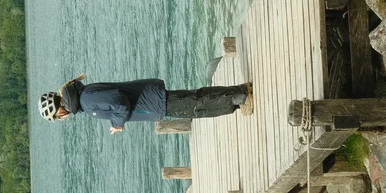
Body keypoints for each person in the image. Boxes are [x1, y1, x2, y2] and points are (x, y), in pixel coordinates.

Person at [38, 74, 253, 134]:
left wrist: (117, 123)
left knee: (198, 104)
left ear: (60, 109)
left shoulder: (87, 99)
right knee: (197, 101)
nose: (61, 118)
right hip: (153, 101)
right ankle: (237, 96)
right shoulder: (84, 99)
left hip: (153, 102)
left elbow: (119, 102)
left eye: (57, 116)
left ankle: (240, 95)